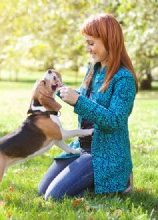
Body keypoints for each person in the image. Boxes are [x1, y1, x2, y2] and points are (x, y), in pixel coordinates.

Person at [37, 13, 139, 200]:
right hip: (81, 146)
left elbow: (114, 121)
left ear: (110, 40)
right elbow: (84, 100)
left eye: (91, 43)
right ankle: (92, 181)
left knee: (53, 197)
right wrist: (60, 88)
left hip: (104, 154)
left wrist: (78, 101)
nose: (87, 49)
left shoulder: (124, 79)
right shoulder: (94, 69)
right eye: (86, 43)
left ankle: (119, 180)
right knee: (42, 191)